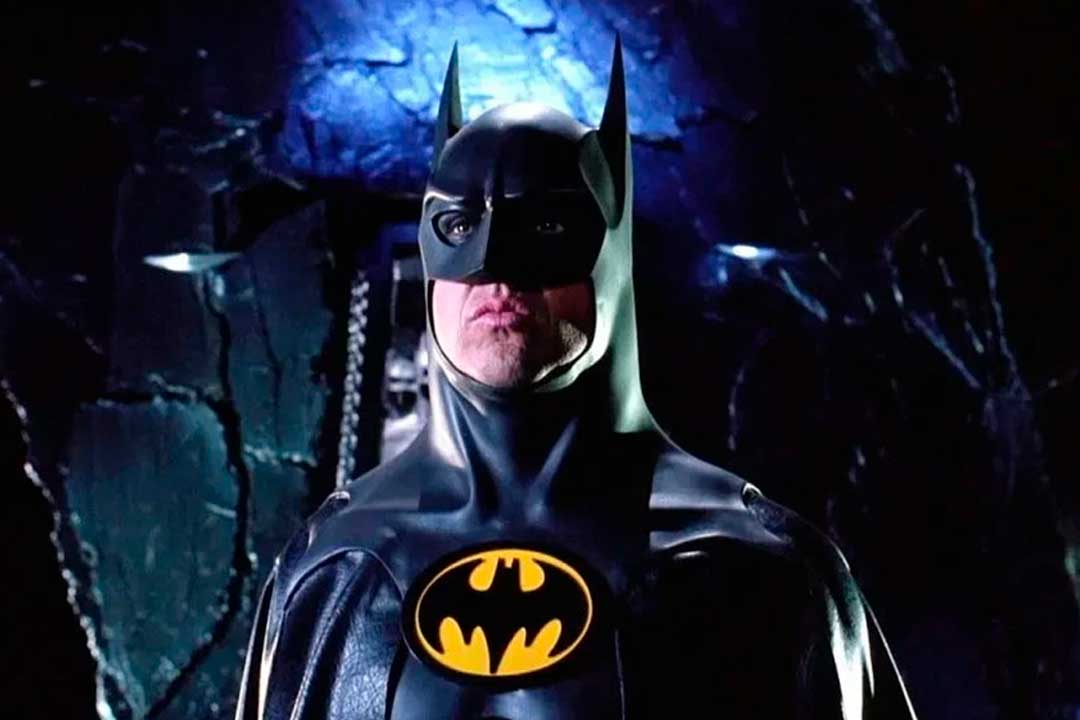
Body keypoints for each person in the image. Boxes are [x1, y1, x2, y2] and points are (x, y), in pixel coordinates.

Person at [235, 39, 918, 720]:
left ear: (610, 255)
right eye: (459, 224)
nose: (495, 267)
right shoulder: (332, 567)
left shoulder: (756, 569)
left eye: (546, 223)